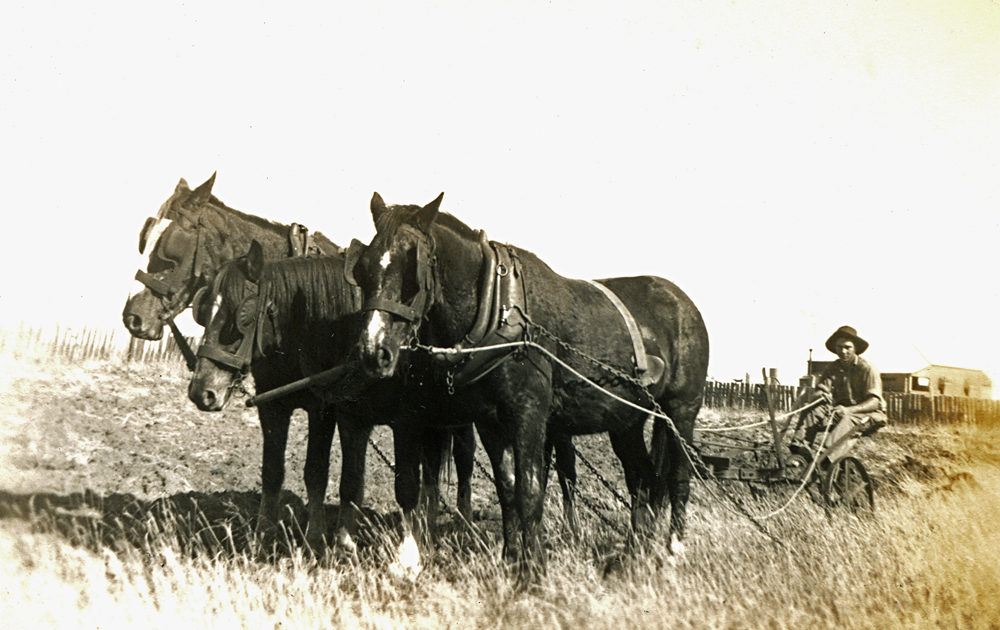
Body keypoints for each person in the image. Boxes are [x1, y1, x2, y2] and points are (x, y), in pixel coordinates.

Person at [796, 326, 888, 462]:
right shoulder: (832, 368)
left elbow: (874, 402)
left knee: (849, 418)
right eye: (839, 347)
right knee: (813, 409)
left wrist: (847, 410)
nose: (843, 351)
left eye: (847, 347)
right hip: (840, 412)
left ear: (855, 348)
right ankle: (800, 448)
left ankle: (826, 456)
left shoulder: (867, 369)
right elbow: (820, 391)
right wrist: (820, 394)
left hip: (869, 414)